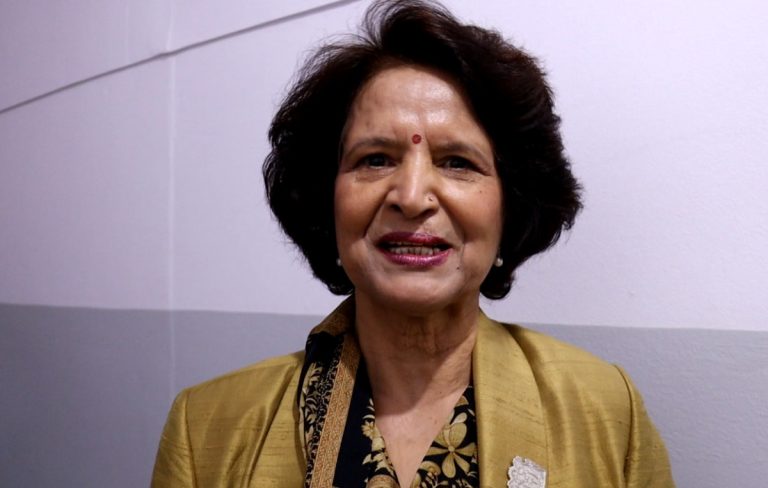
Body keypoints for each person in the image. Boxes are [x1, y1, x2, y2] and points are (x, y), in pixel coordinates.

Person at [152, 1, 674, 486]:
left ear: (511, 206)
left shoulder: (608, 411)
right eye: (375, 159)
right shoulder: (207, 427)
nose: (411, 196)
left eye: (457, 162)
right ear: (325, 199)